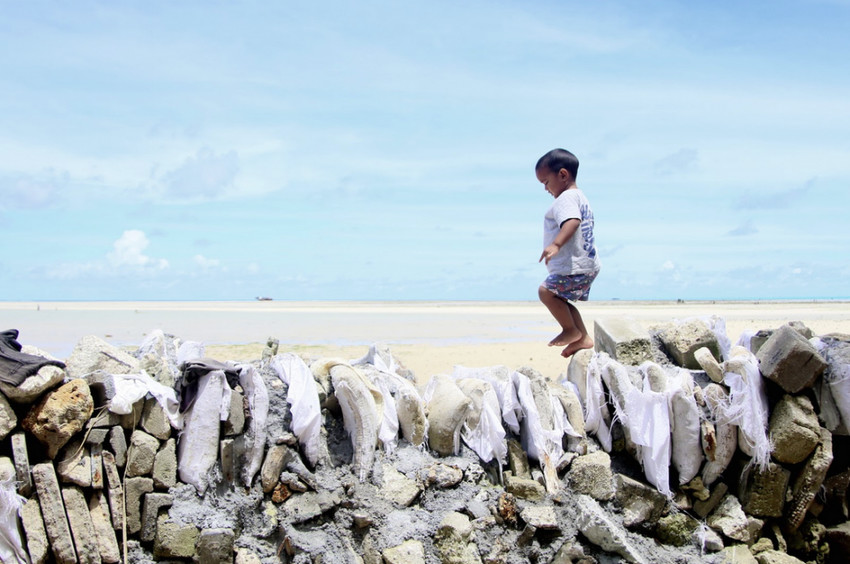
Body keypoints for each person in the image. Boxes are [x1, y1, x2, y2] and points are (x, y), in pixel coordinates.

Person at [535, 148, 600, 358]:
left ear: (562, 175)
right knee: (560, 299)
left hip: (576, 266)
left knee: (546, 292)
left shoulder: (565, 199)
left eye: (546, 182)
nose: (545, 188)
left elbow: (572, 221)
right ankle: (582, 338)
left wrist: (556, 244)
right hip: (587, 264)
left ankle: (571, 331)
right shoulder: (580, 197)